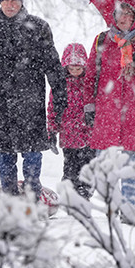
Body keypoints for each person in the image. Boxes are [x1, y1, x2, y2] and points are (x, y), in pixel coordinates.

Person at [0, 0, 67, 200]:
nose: (10, 4)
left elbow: (52, 65)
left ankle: (33, 195)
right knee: (4, 156)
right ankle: (10, 198)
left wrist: (60, 94)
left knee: (32, 153)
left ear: (22, 0)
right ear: (0, 1)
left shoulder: (39, 27)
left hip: (30, 102)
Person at [83, 1, 135, 205]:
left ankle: (128, 207)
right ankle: (111, 205)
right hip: (107, 110)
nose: (125, 17)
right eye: (121, 13)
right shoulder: (102, 40)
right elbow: (90, 76)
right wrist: (89, 106)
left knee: (131, 163)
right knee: (104, 164)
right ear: (114, 16)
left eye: (129, 14)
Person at [47, 43, 97, 199]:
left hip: (87, 134)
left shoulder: (90, 83)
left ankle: (85, 194)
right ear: (65, 67)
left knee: (87, 168)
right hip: (68, 135)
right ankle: (70, 194)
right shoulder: (60, 85)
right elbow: (52, 109)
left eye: (78, 68)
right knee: (70, 168)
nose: (75, 72)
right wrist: (52, 130)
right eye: (71, 68)